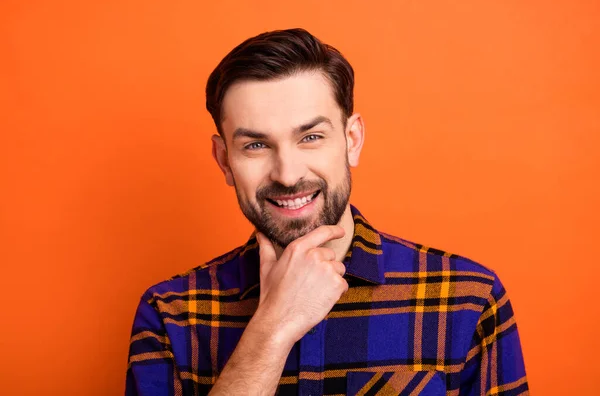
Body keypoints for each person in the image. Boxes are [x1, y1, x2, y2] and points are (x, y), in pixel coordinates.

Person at [125, 28, 528, 396]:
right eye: (256, 146)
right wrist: (271, 330)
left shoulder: (468, 301)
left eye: (311, 137)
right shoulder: (171, 315)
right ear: (224, 160)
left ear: (352, 140)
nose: (287, 174)